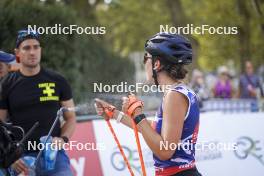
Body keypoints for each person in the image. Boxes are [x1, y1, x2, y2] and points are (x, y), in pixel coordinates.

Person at [95, 33, 201, 176]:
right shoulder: (179, 91)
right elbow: (155, 129)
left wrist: (138, 114)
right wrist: (115, 114)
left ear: (156, 64)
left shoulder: (174, 95)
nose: (144, 63)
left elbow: (165, 151)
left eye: (146, 58)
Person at [0, 30, 76, 176]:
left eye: (36, 47)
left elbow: (71, 118)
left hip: (54, 156)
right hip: (21, 158)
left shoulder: (58, 80)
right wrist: (9, 157)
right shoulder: (6, 85)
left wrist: (63, 139)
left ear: (40, 50)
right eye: (27, 48)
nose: (32, 52)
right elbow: (0, 125)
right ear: (17, 53)